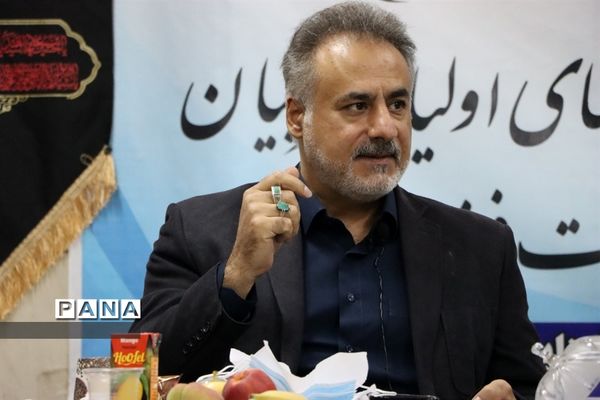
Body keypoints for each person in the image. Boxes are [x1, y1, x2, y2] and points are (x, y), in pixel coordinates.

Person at [130, 2, 545, 399]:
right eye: (358, 105)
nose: (385, 127)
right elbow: (140, 378)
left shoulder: (481, 247)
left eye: (398, 104)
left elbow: (529, 387)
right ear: (297, 116)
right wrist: (236, 273)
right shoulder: (199, 229)